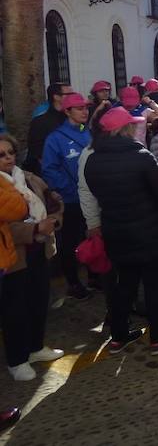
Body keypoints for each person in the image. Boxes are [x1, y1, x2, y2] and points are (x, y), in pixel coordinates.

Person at [84, 108, 158, 356]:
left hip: (116, 230)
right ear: (125, 129)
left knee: (124, 284)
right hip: (148, 230)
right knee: (153, 285)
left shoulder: (93, 159)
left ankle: (118, 335)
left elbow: (95, 192)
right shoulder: (141, 156)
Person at [0, 134, 65, 381]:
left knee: (39, 300)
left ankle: (36, 347)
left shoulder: (27, 178)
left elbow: (53, 200)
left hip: (39, 250)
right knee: (15, 309)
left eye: (10, 152)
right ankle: (17, 359)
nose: (8, 158)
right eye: (1, 155)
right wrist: (34, 229)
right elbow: (5, 226)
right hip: (13, 257)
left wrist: (54, 220)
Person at [41, 92, 93, 299]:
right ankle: (73, 282)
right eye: (79, 108)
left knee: (92, 237)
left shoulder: (88, 132)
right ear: (67, 111)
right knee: (71, 242)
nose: (85, 111)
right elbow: (49, 170)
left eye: (86, 108)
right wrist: (71, 190)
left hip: (91, 198)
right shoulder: (55, 138)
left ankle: (95, 276)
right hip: (71, 201)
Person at [23, 83, 71, 176]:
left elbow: (82, 131)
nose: (73, 97)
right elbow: (36, 154)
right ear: (57, 97)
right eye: (69, 95)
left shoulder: (72, 118)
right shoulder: (40, 122)